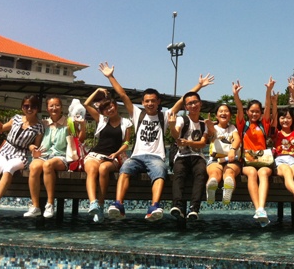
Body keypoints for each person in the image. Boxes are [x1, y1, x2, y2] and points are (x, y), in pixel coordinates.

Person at [101, 62, 214, 221]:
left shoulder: (164, 116)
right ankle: (118, 204)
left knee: (160, 172)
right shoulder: (137, 114)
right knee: (125, 168)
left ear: (158, 102)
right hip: (137, 156)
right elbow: (123, 95)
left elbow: (182, 100)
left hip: (156, 157)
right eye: (147, 101)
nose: (150, 103)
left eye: (153, 101)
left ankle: (154, 206)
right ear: (142, 102)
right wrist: (110, 77)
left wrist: (199, 86)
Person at [0, 96, 44, 220]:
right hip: (5, 150)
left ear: (37, 109)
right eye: (26, 106)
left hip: (21, 154)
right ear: (22, 107)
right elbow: (1, 128)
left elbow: (35, 146)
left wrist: (34, 149)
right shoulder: (16, 118)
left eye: (33, 106)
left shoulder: (39, 127)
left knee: (9, 168)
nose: (29, 109)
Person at [24, 96, 86, 218]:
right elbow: (33, 143)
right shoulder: (43, 123)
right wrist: (33, 149)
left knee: (48, 165)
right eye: (51, 106)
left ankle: (50, 204)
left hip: (61, 156)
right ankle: (35, 206)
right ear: (47, 108)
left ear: (61, 107)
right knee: (34, 166)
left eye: (57, 105)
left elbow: (80, 139)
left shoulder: (69, 123)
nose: (54, 108)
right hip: (43, 155)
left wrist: (83, 126)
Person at [83, 87, 132, 223]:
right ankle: (93, 203)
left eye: (111, 106)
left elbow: (126, 143)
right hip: (95, 154)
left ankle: (101, 203)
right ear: (102, 112)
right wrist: (97, 91)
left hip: (113, 156)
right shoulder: (102, 120)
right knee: (92, 169)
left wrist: (116, 153)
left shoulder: (126, 123)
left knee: (103, 169)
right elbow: (86, 104)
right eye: (105, 109)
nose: (109, 110)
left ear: (115, 105)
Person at [169, 79, 215, 222]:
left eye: (195, 102)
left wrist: (189, 142)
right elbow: (176, 134)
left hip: (197, 156)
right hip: (182, 156)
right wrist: (171, 126)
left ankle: (194, 208)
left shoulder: (204, 123)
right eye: (190, 104)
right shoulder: (182, 120)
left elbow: (202, 144)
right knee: (179, 172)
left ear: (200, 103)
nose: (193, 105)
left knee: (201, 172)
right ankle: (177, 206)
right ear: (186, 107)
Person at [233, 77, 274, 227]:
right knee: (251, 173)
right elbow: (239, 109)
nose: (254, 114)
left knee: (262, 173)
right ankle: (259, 209)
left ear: (260, 113)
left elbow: (268, 107)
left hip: (264, 162)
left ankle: (261, 208)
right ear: (247, 112)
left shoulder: (264, 125)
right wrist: (236, 95)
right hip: (247, 162)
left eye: (257, 112)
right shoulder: (242, 125)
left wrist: (268, 91)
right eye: (252, 111)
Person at [205, 101, 242, 205]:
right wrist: (209, 127)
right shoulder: (213, 128)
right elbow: (211, 133)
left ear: (230, 115)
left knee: (229, 173)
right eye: (220, 111)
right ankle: (211, 187)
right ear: (216, 115)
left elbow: (237, 139)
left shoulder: (232, 128)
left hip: (231, 159)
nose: (223, 113)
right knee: (214, 173)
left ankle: (227, 190)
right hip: (215, 159)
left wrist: (232, 150)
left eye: (226, 111)